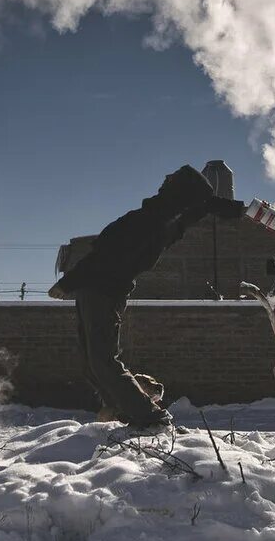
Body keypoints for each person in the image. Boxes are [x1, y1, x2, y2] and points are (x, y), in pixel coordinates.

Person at [48, 165, 246, 427]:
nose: (165, 178)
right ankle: (125, 411)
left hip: (102, 290)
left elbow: (104, 256)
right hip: (101, 290)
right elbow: (202, 207)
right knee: (92, 362)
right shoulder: (167, 220)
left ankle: (149, 416)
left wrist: (67, 282)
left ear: (178, 189)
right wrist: (234, 208)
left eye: (172, 178)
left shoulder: (150, 220)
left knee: (102, 360)